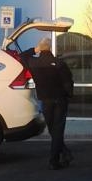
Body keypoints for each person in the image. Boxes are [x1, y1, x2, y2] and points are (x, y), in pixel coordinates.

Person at [27, 37, 74, 170]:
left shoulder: (33, 62)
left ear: (40, 48)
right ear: (50, 48)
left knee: (53, 129)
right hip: (60, 99)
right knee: (58, 129)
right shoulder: (60, 63)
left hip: (45, 100)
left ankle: (63, 154)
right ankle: (56, 159)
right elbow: (68, 82)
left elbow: (23, 56)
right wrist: (69, 95)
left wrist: (34, 50)